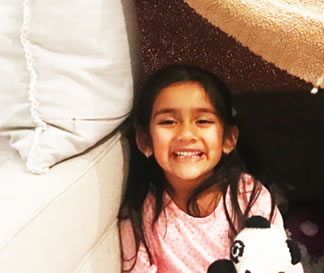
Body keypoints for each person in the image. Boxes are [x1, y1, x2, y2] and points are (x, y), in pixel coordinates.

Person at [118, 64, 286, 273]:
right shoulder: (140, 214)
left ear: (228, 139)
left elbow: (281, 264)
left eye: (203, 121)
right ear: (145, 141)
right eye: (169, 121)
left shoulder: (248, 196)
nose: (186, 134)